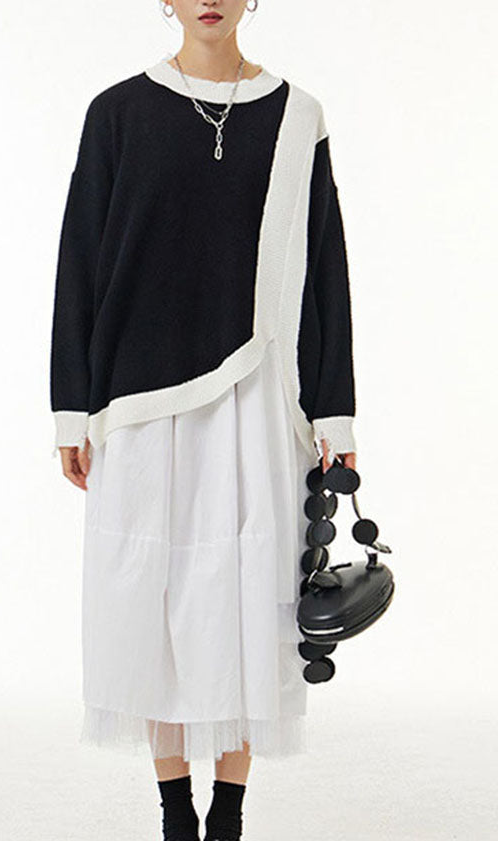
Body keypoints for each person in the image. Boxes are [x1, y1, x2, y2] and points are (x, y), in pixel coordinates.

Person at [49, 1, 357, 838]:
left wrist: (334, 413)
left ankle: (227, 816)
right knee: (152, 610)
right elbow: (80, 260)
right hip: (140, 406)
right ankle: (175, 814)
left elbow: (326, 271)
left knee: (250, 606)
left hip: (258, 396)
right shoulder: (117, 113)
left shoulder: (298, 117)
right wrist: (73, 406)